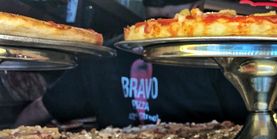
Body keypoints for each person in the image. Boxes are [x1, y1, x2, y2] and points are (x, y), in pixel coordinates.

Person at [15, 0, 247, 127]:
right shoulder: (217, 56)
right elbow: (246, 121)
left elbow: (40, 109)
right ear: (197, 6)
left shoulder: (104, 54)